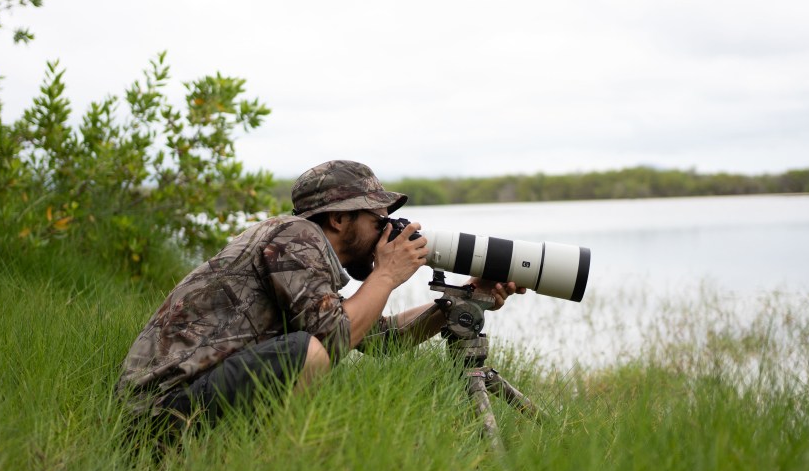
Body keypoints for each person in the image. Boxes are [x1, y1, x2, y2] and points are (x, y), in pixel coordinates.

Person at [116, 160, 524, 437]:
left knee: (310, 346)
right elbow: (331, 340)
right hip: (158, 416)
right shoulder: (294, 237)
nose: (388, 233)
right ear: (338, 218)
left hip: (179, 407)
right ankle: (248, 466)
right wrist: (386, 274)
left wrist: (467, 297)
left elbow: (381, 339)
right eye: (379, 220)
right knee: (307, 351)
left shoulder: (304, 257)